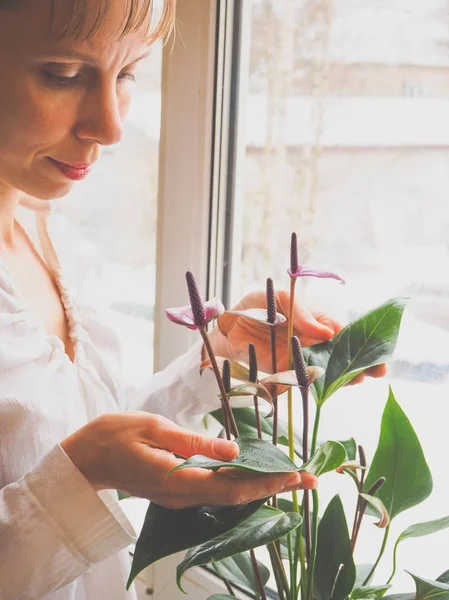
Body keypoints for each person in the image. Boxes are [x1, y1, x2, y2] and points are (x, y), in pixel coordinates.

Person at [0, 1, 386, 599]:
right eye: (63, 74)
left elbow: (67, 432)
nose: (110, 125)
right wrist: (80, 476)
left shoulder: (48, 236)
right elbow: (73, 461)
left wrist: (224, 355)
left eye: (126, 73)